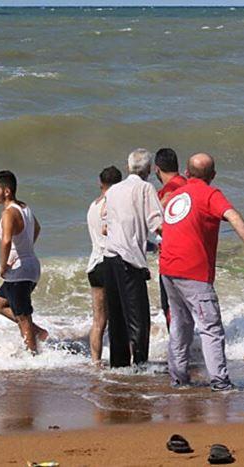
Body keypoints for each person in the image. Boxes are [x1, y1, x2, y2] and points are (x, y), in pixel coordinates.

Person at [160, 152, 244, 391]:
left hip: (168, 268)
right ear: (213, 175)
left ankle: (179, 378)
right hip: (193, 272)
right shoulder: (210, 194)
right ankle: (220, 382)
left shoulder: (175, 195)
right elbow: (232, 216)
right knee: (210, 327)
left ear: (186, 172)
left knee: (180, 324)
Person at [102, 149, 163, 368]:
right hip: (129, 259)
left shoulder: (113, 190)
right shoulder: (146, 188)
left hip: (109, 258)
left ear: (128, 167)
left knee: (117, 316)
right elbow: (157, 223)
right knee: (138, 318)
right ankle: (140, 365)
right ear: (148, 169)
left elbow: (105, 225)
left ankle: (118, 366)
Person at [0, 170, 47, 353]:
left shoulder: (8, 213)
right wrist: (25, 249)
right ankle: (36, 331)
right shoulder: (24, 208)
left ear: (7, 191)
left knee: (23, 317)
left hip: (19, 271)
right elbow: (37, 228)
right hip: (30, 266)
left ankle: (32, 357)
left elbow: (6, 240)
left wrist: (3, 265)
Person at [86, 166, 123, 363]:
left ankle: (95, 361)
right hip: (108, 262)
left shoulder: (93, 204)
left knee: (98, 321)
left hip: (93, 264)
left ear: (100, 183)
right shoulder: (112, 204)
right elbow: (112, 231)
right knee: (119, 316)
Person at [154, 148, 188, 331]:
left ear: (156, 169)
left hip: (171, 257)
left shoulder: (165, 193)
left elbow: (158, 224)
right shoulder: (188, 184)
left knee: (170, 307)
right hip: (192, 255)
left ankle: (179, 351)